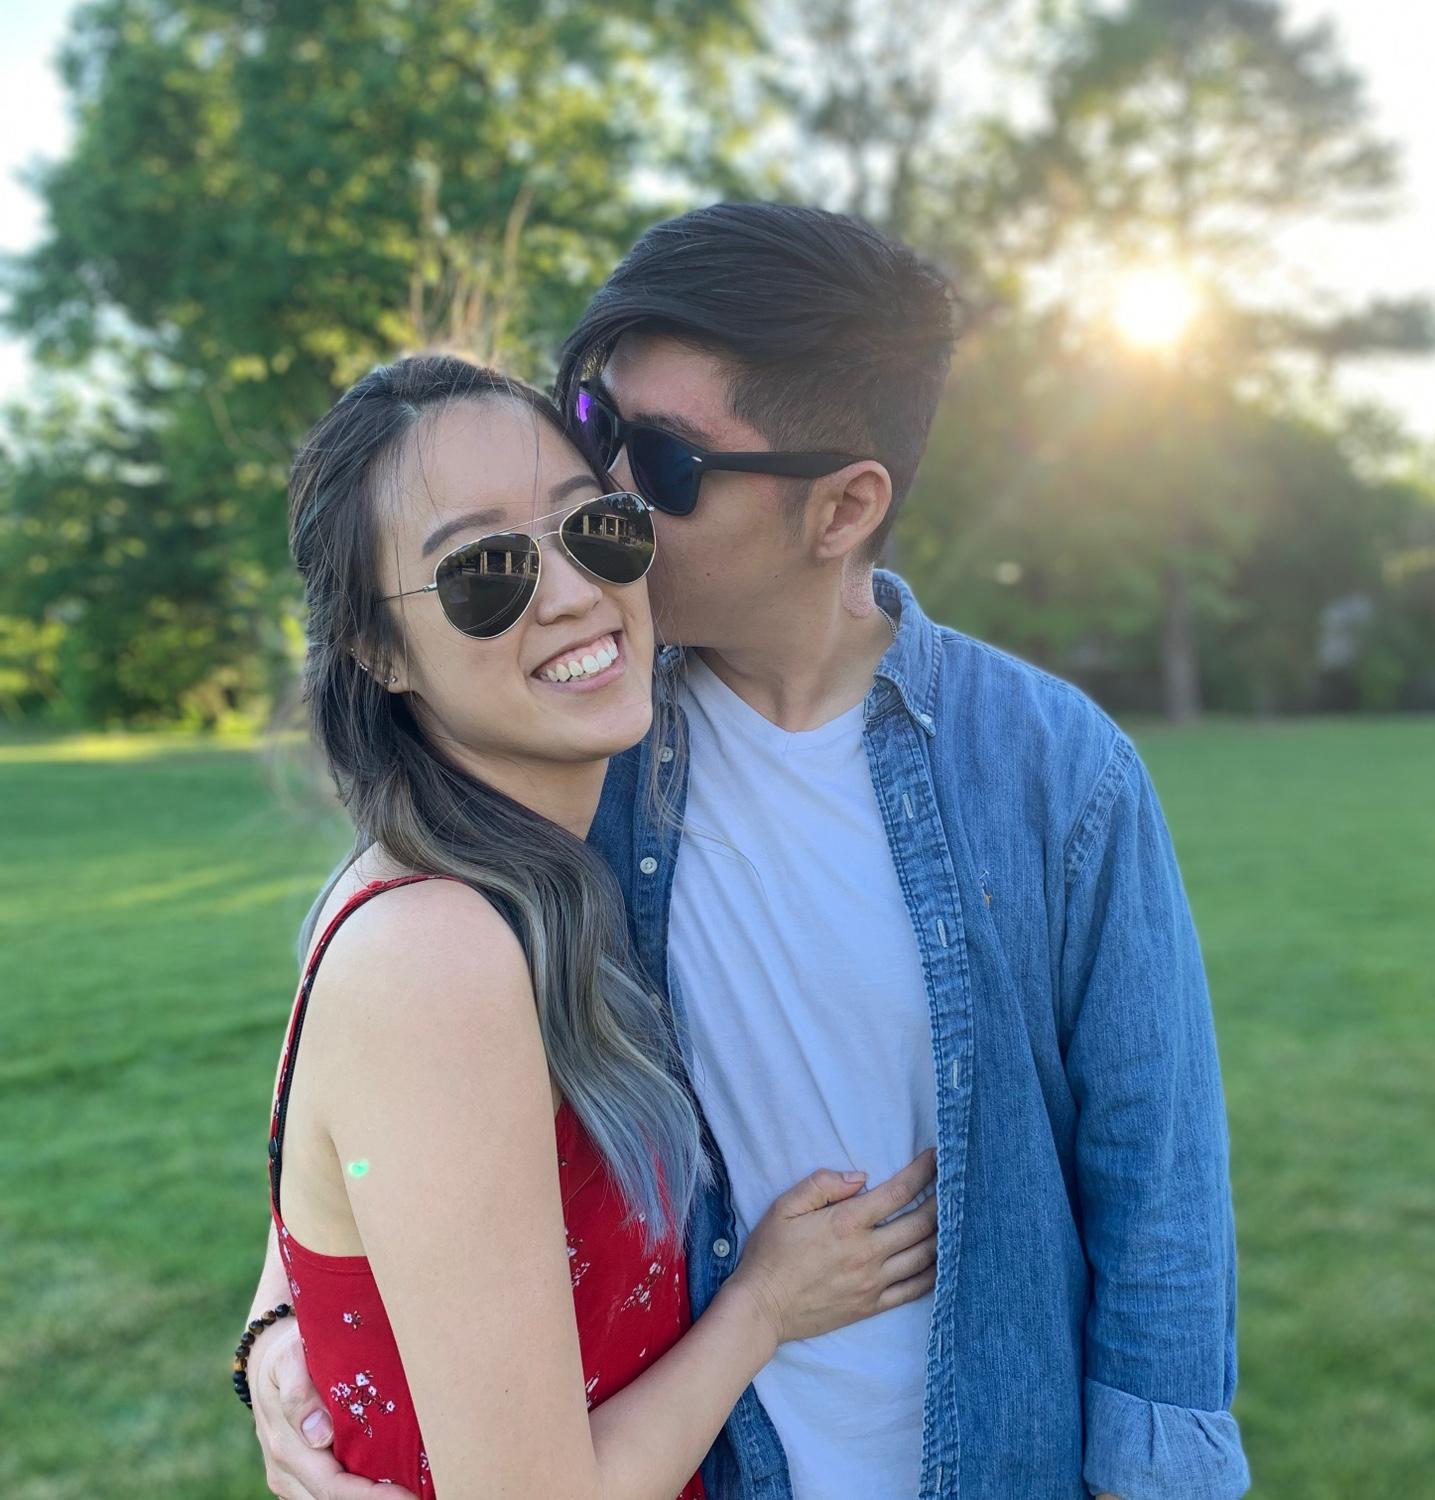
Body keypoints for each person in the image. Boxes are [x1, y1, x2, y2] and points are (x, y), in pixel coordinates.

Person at [248, 204, 1251, 1500]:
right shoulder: (569, 739)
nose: (606, 493)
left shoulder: (1054, 771)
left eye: (663, 462)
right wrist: (282, 1321)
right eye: (595, 424)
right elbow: (376, 1082)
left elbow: (1159, 1193)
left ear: (843, 508)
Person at [241, 352, 938, 1499]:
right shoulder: (438, 954)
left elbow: (344, 1195)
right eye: (484, 569)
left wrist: (269, 1331)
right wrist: (765, 1307)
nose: (572, 592)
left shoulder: (491, 887)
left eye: (596, 528)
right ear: (376, 648)